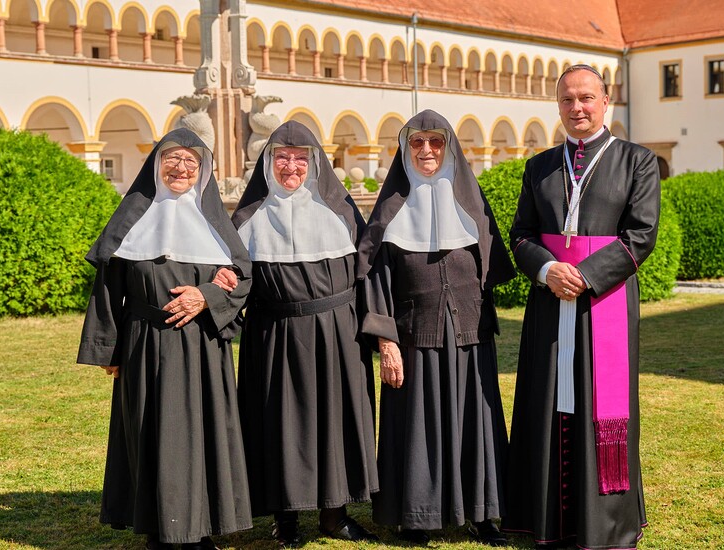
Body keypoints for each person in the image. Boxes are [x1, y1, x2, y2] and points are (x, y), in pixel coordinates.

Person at [502, 65, 660, 549]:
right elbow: (521, 234)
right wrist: (549, 271)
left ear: (605, 101)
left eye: (587, 98)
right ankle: (546, 520)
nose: (578, 108)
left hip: (602, 304)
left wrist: (586, 277)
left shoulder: (638, 161)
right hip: (550, 301)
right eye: (568, 99)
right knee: (546, 401)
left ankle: (605, 523)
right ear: (558, 105)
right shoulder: (540, 166)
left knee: (598, 405)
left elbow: (641, 235)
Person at [77, 128, 253, 550]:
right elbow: (107, 286)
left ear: (202, 171)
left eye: (191, 162)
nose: (181, 168)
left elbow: (244, 278)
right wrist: (109, 348)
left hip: (200, 345)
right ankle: (158, 528)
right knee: (149, 431)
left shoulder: (214, 224)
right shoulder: (131, 220)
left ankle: (202, 526)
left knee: (202, 431)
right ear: (156, 166)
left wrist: (206, 295)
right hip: (144, 342)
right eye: (172, 159)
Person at [356, 109, 516, 545]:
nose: (427, 150)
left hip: (470, 333)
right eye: (417, 142)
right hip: (414, 336)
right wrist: (386, 341)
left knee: (475, 423)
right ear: (406, 149)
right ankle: (418, 516)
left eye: (436, 142)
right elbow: (373, 278)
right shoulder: (390, 208)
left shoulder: (472, 203)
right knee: (418, 427)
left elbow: (491, 266)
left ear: (449, 148)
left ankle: (483, 515)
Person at [232, 121, 379, 545]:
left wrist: (376, 332)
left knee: (336, 422)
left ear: (315, 163)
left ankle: (335, 513)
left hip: (337, 334)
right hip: (274, 334)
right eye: (282, 158)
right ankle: (286, 518)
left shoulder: (342, 212)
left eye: (300, 158)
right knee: (281, 426)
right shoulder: (248, 217)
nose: (291, 166)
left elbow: (369, 275)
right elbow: (230, 279)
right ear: (268, 163)